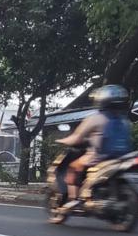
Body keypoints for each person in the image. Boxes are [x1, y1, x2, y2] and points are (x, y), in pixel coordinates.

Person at [53, 84, 132, 219]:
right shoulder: (125, 121)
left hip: (99, 158)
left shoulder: (95, 118)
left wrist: (62, 141)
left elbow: (77, 138)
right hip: (123, 158)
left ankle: (74, 200)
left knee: (72, 167)